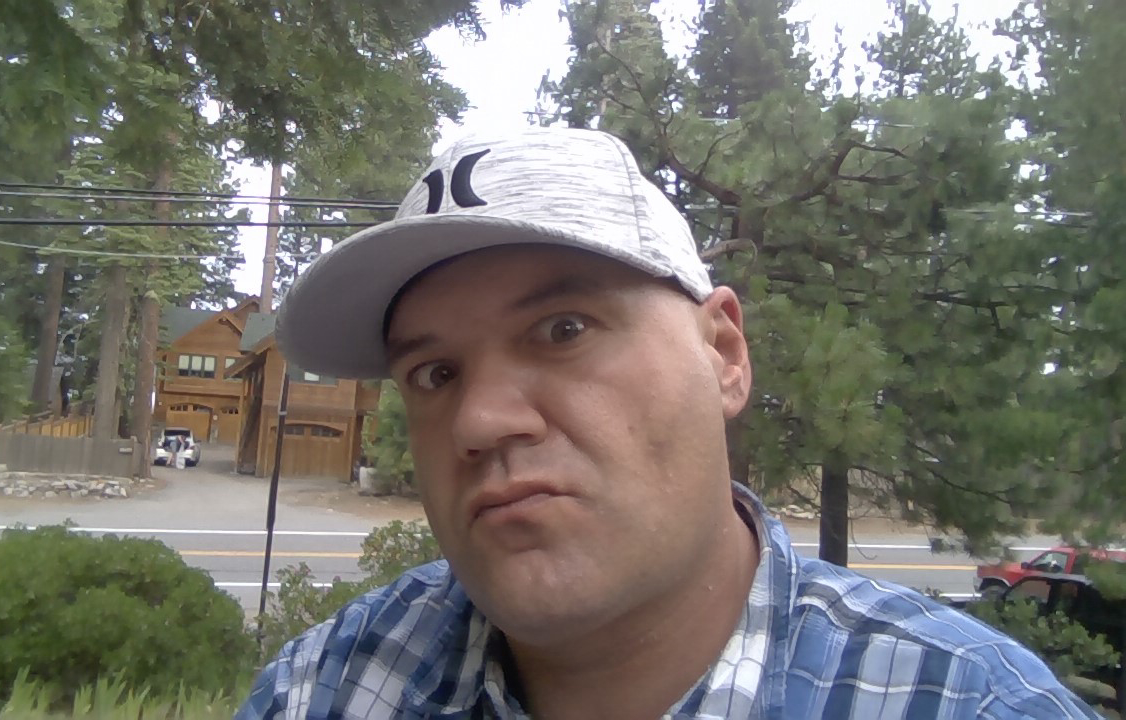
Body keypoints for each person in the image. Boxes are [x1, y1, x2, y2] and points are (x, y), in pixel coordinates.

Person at [236, 127, 1099, 719]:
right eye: (434, 373)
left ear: (724, 354)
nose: (481, 419)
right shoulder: (327, 689)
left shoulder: (964, 702)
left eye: (563, 330)